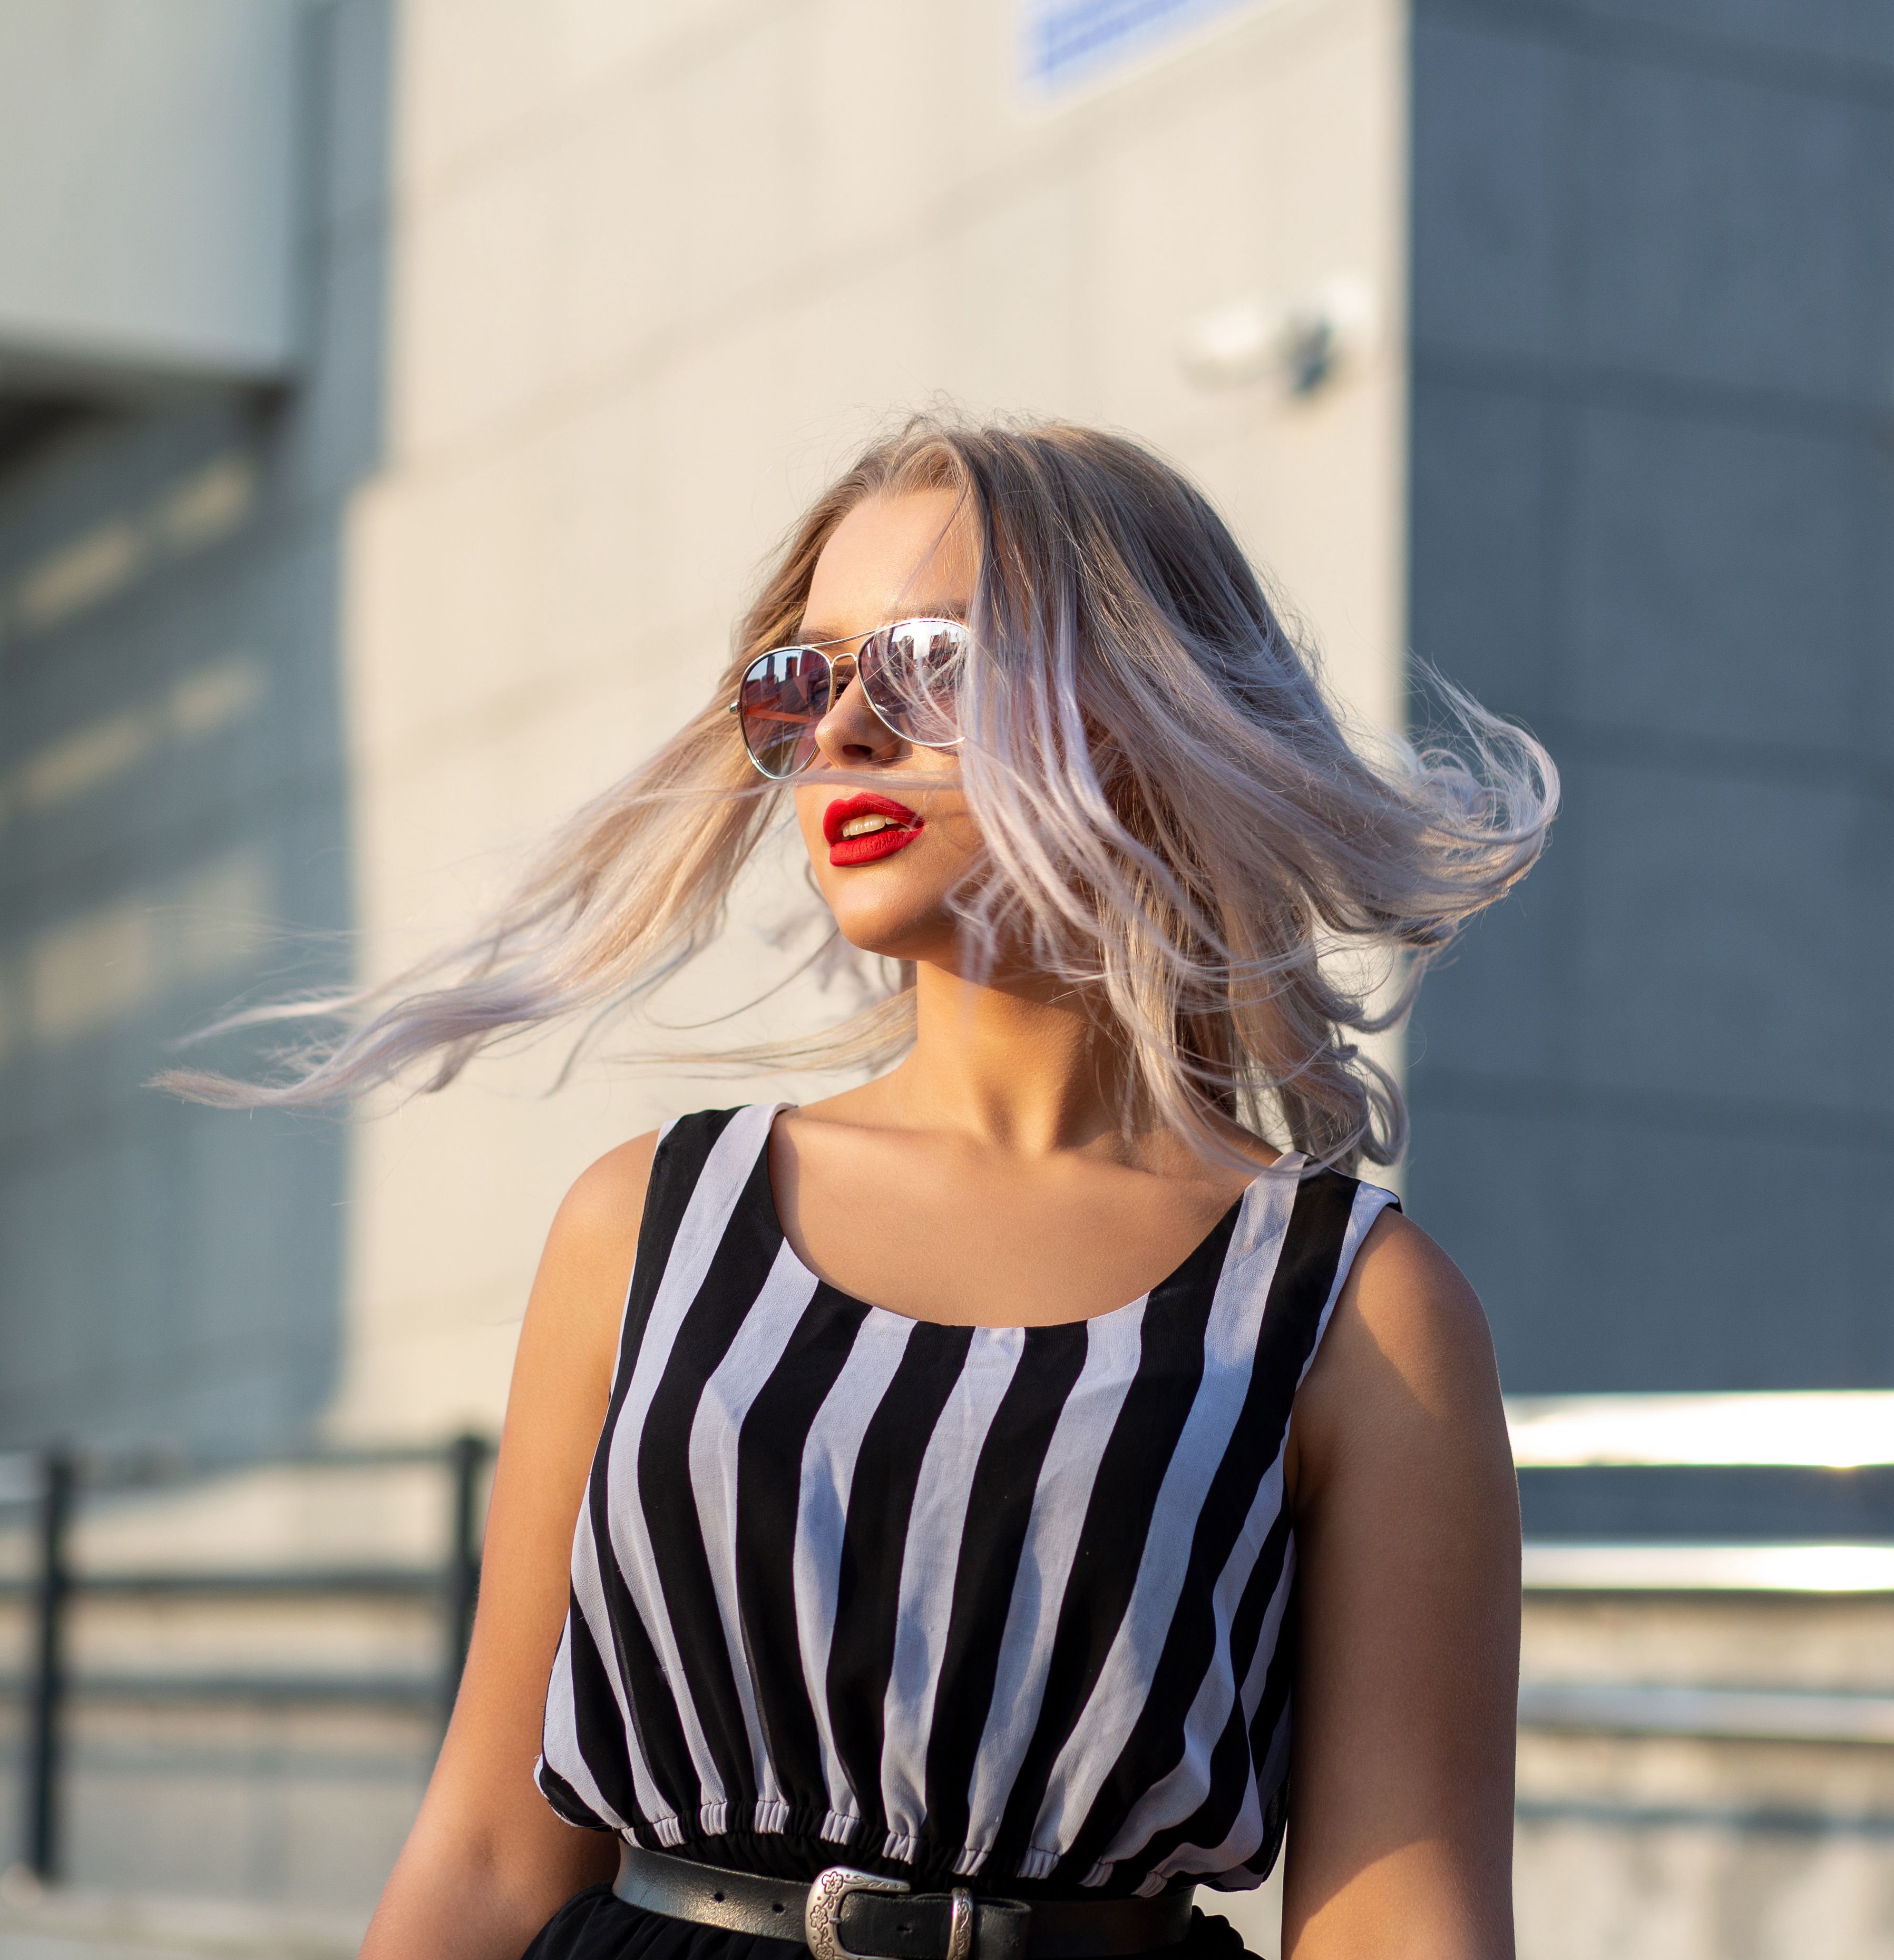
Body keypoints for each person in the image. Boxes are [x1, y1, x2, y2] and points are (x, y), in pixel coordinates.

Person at [180, 418, 1554, 1959]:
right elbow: (491, 1852)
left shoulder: (1359, 1312)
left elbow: (1404, 1919)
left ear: (1137, 710)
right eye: (802, 679)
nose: (839, 730)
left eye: (924, 666)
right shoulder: (649, 1228)